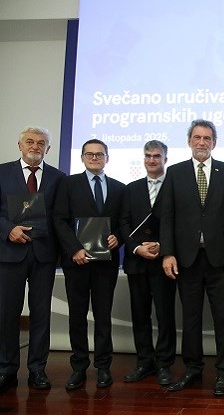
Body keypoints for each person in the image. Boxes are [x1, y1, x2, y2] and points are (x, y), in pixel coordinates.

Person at [160, 119, 224, 396]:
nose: (202, 142)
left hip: (221, 260)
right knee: (191, 319)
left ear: (214, 143)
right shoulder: (175, 172)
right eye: (197, 137)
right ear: (189, 141)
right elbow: (167, 217)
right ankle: (192, 369)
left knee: (223, 319)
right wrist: (168, 253)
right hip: (187, 260)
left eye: (207, 138)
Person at [53, 139, 125, 390]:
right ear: (82, 157)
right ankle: (79, 367)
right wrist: (74, 249)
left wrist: (118, 236)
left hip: (106, 264)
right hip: (77, 262)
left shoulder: (119, 188)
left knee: (103, 316)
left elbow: (123, 222)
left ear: (107, 158)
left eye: (99, 154)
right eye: (90, 154)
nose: (95, 158)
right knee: (77, 316)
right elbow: (60, 220)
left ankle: (103, 367)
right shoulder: (68, 184)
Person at [0, 127, 65, 393]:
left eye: (41, 143)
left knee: (41, 314)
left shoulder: (59, 178)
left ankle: (38, 369)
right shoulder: (2, 172)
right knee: (7, 314)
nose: (35, 146)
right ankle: (6, 369)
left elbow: (61, 217)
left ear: (48, 148)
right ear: (20, 145)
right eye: (30, 141)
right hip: (9, 254)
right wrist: (8, 230)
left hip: (44, 255)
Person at [120, 140, 176, 386]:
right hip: (137, 262)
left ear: (165, 159)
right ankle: (144, 362)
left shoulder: (175, 187)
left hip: (164, 261)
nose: (151, 160)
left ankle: (164, 364)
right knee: (140, 315)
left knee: (165, 315)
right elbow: (123, 223)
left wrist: (164, 246)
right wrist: (136, 248)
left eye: (156, 156)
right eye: (148, 156)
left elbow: (181, 222)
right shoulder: (130, 189)